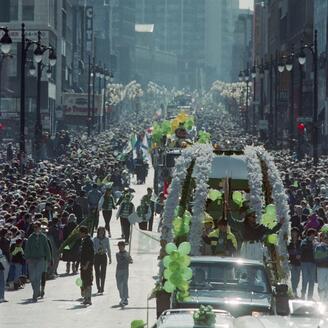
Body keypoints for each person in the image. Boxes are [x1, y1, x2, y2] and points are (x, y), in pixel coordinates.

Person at [24, 221, 51, 302]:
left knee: (38, 277)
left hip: (41, 259)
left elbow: (47, 249)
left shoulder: (43, 237)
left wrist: (49, 259)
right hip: (31, 259)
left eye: (36, 227)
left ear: (39, 228)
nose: (35, 228)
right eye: (34, 227)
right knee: (32, 278)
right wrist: (27, 258)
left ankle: (35, 295)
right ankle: (36, 291)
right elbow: (27, 248)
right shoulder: (30, 237)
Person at [93, 226, 111, 294]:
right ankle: (98, 287)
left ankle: (102, 287)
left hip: (103, 256)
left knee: (103, 273)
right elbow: (93, 248)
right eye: (100, 231)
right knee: (97, 273)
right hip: (97, 256)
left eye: (103, 231)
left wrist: (110, 257)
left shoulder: (106, 239)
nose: (101, 232)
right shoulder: (95, 239)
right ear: (98, 232)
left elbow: (108, 248)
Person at [300, 228, 317, 300]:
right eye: (312, 235)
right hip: (305, 263)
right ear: (308, 235)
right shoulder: (304, 241)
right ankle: (303, 294)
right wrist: (311, 245)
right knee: (305, 279)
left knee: (312, 280)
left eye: (314, 235)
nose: (313, 237)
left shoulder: (315, 242)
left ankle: (310, 296)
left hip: (313, 263)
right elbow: (303, 248)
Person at [79, 225, 94, 305]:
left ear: (84, 233)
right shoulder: (84, 240)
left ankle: (88, 298)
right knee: (84, 282)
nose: (79, 234)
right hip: (83, 265)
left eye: (80, 233)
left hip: (87, 266)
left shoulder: (89, 241)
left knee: (88, 282)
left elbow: (90, 255)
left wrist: (86, 265)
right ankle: (86, 298)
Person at [116, 241, 132, 307]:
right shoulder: (117, 254)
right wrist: (126, 259)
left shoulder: (127, 253)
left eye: (121, 246)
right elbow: (120, 261)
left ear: (123, 246)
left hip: (125, 270)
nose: (120, 247)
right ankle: (122, 297)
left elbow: (131, 261)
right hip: (119, 270)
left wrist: (129, 260)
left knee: (124, 284)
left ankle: (125, 298)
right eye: (119, 246)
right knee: (119, 285)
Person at [314, 229, 328, 301]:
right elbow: (317, 257)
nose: (327, 239)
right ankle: (321, 299)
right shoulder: (319, 247)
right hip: (321, 268)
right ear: (322, 238)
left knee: (327, 286)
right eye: (325, 238)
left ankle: (325, 302)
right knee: (321, 285)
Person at [287, 227, 302, 298]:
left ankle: (295, 288)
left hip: (299, 262)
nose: (294, 234)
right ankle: (294, 291)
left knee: (298, 278)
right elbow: (288, 252)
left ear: (297, 233)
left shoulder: (300, 242)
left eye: (295, 232)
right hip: (292, 262)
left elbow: (302, 250)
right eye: (292, 232)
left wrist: (300, 255)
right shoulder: (289, 242)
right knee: (293, 277)